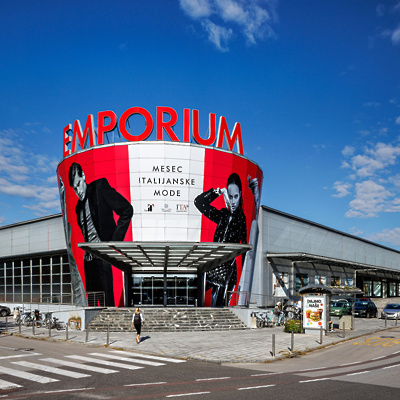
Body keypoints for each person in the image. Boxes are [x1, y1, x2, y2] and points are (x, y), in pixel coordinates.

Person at [68, 162, 134, 307]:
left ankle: (109, 320)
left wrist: (113, 242)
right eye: (74, 188)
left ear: (83, 176)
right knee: (92, 303)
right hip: (88, 260)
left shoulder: (99, 188)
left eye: (79, 184)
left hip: (102, 256)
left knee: (107, 301)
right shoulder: (78, 208)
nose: (78, 191)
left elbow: (127, 210)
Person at [194, 173, 247, 307]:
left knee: (219, 305)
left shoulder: (241, 219)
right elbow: (199, 202)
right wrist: (217, 192)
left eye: (236, 196)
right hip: (214, 266)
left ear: (240, 194)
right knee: (197, 293)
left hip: (228, 271)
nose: (233, 201)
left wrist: (243, 277)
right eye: (230, 196)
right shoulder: (222, 215)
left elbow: (245, 249)